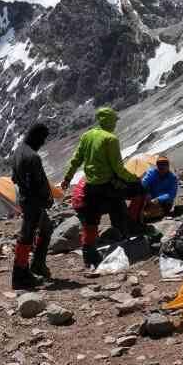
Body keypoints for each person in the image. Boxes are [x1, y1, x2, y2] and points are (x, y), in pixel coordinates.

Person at [60, 107, 144, 269]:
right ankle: (129, 231)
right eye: (114, 120)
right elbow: (118, 168)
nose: (115, 124)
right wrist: (134, 180)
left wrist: (67, 178)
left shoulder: (87, 135)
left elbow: (76, 160)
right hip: (108, 186)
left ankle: (89, 255)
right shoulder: (110, 139)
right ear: (109, 120)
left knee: (91, 222)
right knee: (127, 201)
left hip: (91, 187)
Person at [11, 122, 55, 288]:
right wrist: (45, 199)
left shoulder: (18, 151)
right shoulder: (32, 157)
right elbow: (36, 183)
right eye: (43, 138)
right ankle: (20, 274)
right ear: (36, 137)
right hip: (34, 202)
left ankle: (37, 265)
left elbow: (14, 178)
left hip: (26, 199)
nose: (43, 142)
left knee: (46, 228)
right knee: (27, 235)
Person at [131, 156, 180, 223]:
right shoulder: (152, 173)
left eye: (163, 167)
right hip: (150, 199)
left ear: (168, 167)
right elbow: (144, 183)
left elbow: (171, 194)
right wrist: (146, 192)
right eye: (159, 167)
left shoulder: (172, 178)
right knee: (139, 196)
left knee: (149, 214)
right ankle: (135, 215)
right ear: (157, 167)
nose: (161, 170)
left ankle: (143, 216)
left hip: (164, 202)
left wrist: (158, 199)